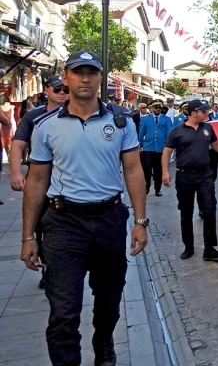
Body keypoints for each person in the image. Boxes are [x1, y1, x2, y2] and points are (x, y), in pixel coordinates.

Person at [20, 50, 148, 366]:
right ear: (67, 77)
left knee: (109, 300)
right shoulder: (46, 125)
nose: (85, 78)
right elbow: (36, 180)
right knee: (63, 310)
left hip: (109, 220)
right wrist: (27, 237)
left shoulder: (121, 122)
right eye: (79, 72)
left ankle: (103, 341)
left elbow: (133, 170)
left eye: (92, 73)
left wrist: (140, 221)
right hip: (64, 223)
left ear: (101, 79)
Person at [9, 75, 69, 287]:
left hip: (67, 183)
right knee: (42, 227)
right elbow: (17, 145)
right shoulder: (34, 116)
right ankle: (49, 268)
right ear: (47, 90)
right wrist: (15, 172)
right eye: (57, 89)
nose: (62, 93)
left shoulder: (77, 113)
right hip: (41, 180)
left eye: (65, 89)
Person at [162, 99, 218, 261]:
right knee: (186, 213)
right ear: (193, 113)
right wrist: (165, 172)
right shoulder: (177, 131)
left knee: (210, 210)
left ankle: (209, 249)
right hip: (184, 176)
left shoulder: (208, 128)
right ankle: (188, 247)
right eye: (204, 112)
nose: (207, 114)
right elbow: (167, 151)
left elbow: (216, 145)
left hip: (204, 175)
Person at [139, 99, 173, 197]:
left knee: (158, 170)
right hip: (148, 147)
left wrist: (168, 146)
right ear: (152, 108)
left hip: (160, 148)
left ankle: (157, 189)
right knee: (147, 169)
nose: (158, 109)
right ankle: (147, 186)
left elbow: (169, 133)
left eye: (160, 108)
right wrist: (139, 144)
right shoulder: (145, 119)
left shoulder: (166, 119)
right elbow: (141, 133)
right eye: (156, 107)